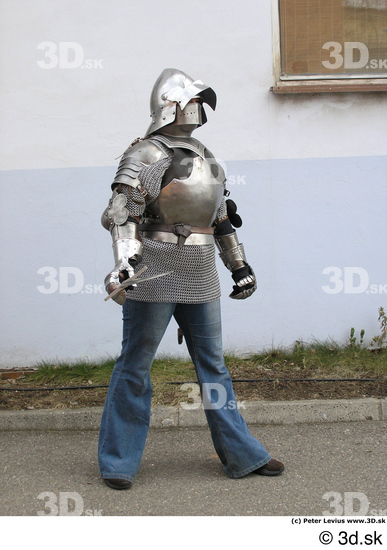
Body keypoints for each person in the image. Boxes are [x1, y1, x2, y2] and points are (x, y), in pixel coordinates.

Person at [98, 68, 284, 490]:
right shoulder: (146, 154)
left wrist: (239, 265)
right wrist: (125, 263)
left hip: (200, 271)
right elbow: (121, 213)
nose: (200, 109)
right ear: (172, 105)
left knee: (214, 367)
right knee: (135, 367)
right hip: (154, 270)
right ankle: (118, 461)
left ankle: (242, 454)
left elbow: (220, 219)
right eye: (193, 100)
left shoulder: (208, 156)